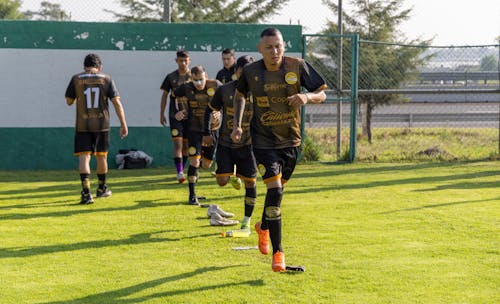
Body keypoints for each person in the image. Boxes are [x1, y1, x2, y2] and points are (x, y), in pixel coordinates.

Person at [231, 28, 327, 272]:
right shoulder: (251, 72)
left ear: (284, 46)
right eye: (269, 47)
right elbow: (240, 95)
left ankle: (263, 226)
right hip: (263, 143)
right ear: (260, 49)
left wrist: (307, 97)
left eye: (278, 46)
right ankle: (279, 254)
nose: (274, 51)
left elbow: (322, 93)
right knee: (274, 190)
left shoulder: (297, 66)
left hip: (291, 142)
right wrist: (237, 125)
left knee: (278, 192)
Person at [65, 53, 128, 205]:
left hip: (82, 125)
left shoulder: (76, 78)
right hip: (102, 125)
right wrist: (123, 123)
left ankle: (86, 193)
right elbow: (116, 103)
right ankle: (101, 188)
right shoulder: (106, 78)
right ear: (99, 67)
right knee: (101, 157)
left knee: (84, 157)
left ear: (84, 66)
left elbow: (69, 101)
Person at [203, 55, 257, 231]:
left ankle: (246, 220)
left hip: (249, 145)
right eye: (242, 72)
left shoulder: (259, 91)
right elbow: (209, 111)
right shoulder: (225, 90)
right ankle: (234, 177)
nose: (245, 77)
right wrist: (209, 131)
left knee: (251, 183)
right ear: (236, 72)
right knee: (222, 181)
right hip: (226, 143)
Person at [173, 65, 222, 206]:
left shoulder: (216, 85)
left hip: (213, 129)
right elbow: (172, 95)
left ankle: (196, 168)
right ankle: (192, 195)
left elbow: (227, 100)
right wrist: (177, 112)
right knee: (194, 161)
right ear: (191, 79)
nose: (199, 83)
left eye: (201, 79)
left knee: (206, 165)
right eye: (196, 80)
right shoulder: (186, 88)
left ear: (205, 76)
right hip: (194, 129)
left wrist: (221, 113)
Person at [160, 50, 192, 183]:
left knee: (186, 146)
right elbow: (164, 96)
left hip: (191, 117)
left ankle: (182, 168)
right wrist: (161, 113)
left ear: (189, 60)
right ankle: (179, 172)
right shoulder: (171, 77)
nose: (183, 63)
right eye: (180, 60)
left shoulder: (195, 75)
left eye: (185, 60)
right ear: (176, 61)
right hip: (175, 116)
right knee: (178, 145)